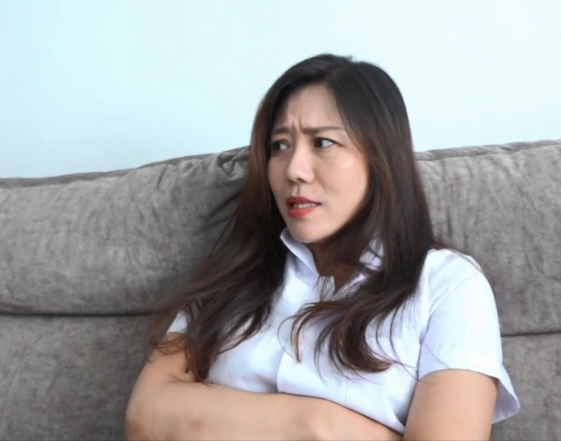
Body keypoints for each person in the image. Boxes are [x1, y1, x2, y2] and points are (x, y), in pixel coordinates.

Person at [125, 53, 520, 440]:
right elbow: (145, 416)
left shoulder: (448, 284)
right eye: (280, 145)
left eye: (323, 142)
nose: (294, 170)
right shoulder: (236, 273)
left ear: (381, 158)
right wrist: (318, 425)